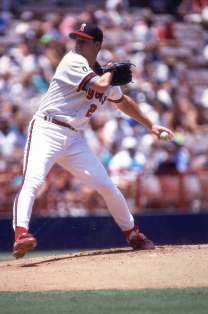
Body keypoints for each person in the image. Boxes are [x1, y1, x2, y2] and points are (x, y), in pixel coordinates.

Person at [13, 23, 173, 258]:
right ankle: (20, 234)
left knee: (107, 186)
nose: (79, 42)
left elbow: (123, 101)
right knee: (34, 181)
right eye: (77, 38)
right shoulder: (72, 61)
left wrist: (151, 125)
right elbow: (100, 84)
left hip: (74, 138)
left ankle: (132, 233)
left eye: (85, 40)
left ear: (97, 45)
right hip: (46, 129)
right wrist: (108, 71)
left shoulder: (104, 76)